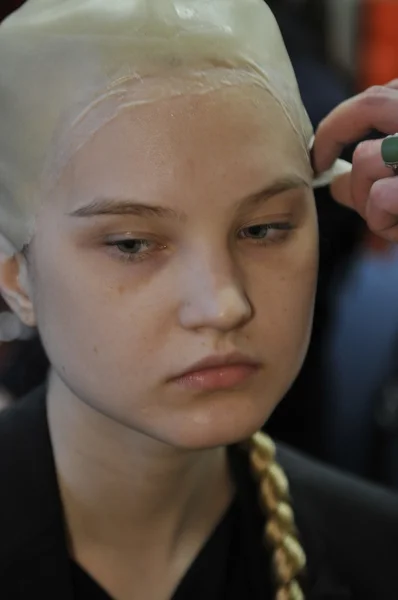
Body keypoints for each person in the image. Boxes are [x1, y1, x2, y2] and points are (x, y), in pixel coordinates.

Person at [0, 2, 397, 599]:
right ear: (16, 278)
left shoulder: (378, 554)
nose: (223, 304)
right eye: (133, 243)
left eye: (263, 228)